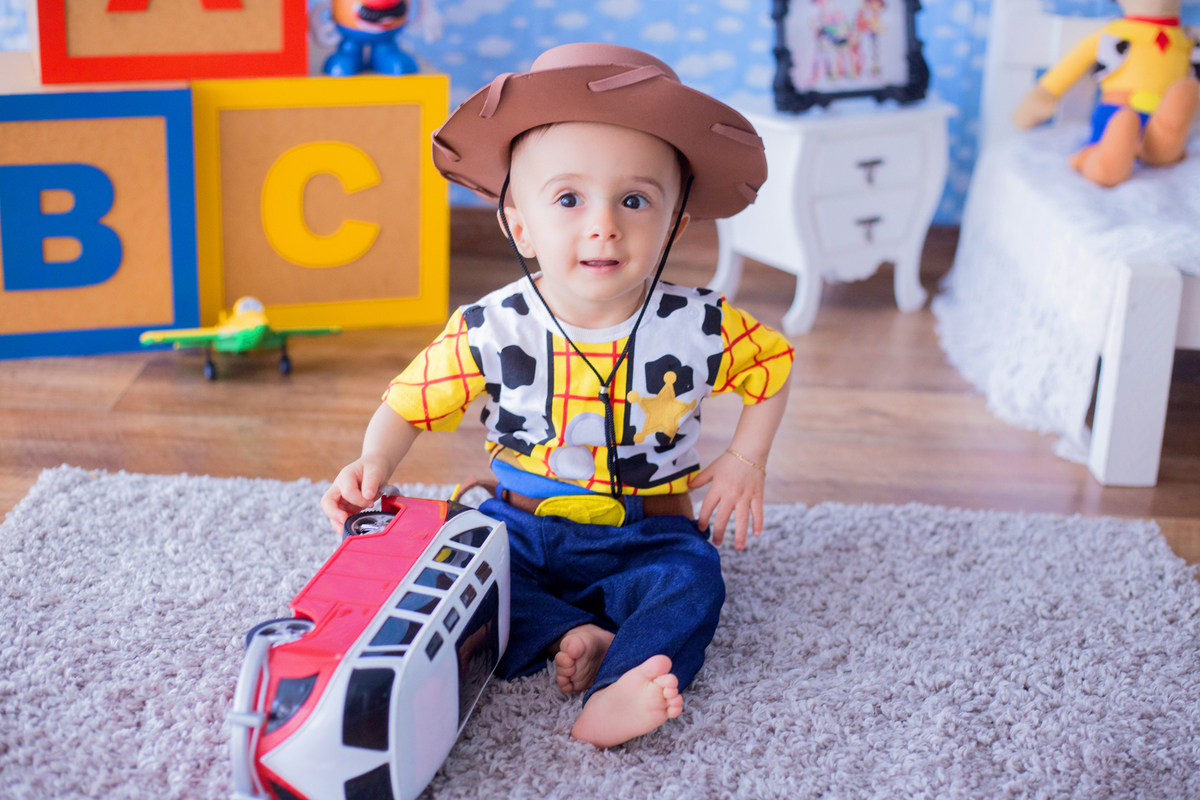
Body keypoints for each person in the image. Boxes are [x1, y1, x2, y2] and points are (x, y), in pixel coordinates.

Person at [321, 43, 794, 748]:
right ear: (520, 225)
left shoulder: (700, 324)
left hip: (647, 529)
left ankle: (616, 686)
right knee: (462, 578)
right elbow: (409, 403)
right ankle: (574, 632)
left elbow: (775, 369)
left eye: (635, 200)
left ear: (674, 227)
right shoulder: (491, 326)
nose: (603, 223)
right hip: (524, 525)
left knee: (692, 584)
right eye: (568, 199)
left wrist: (745, 459)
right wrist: (371, 463)